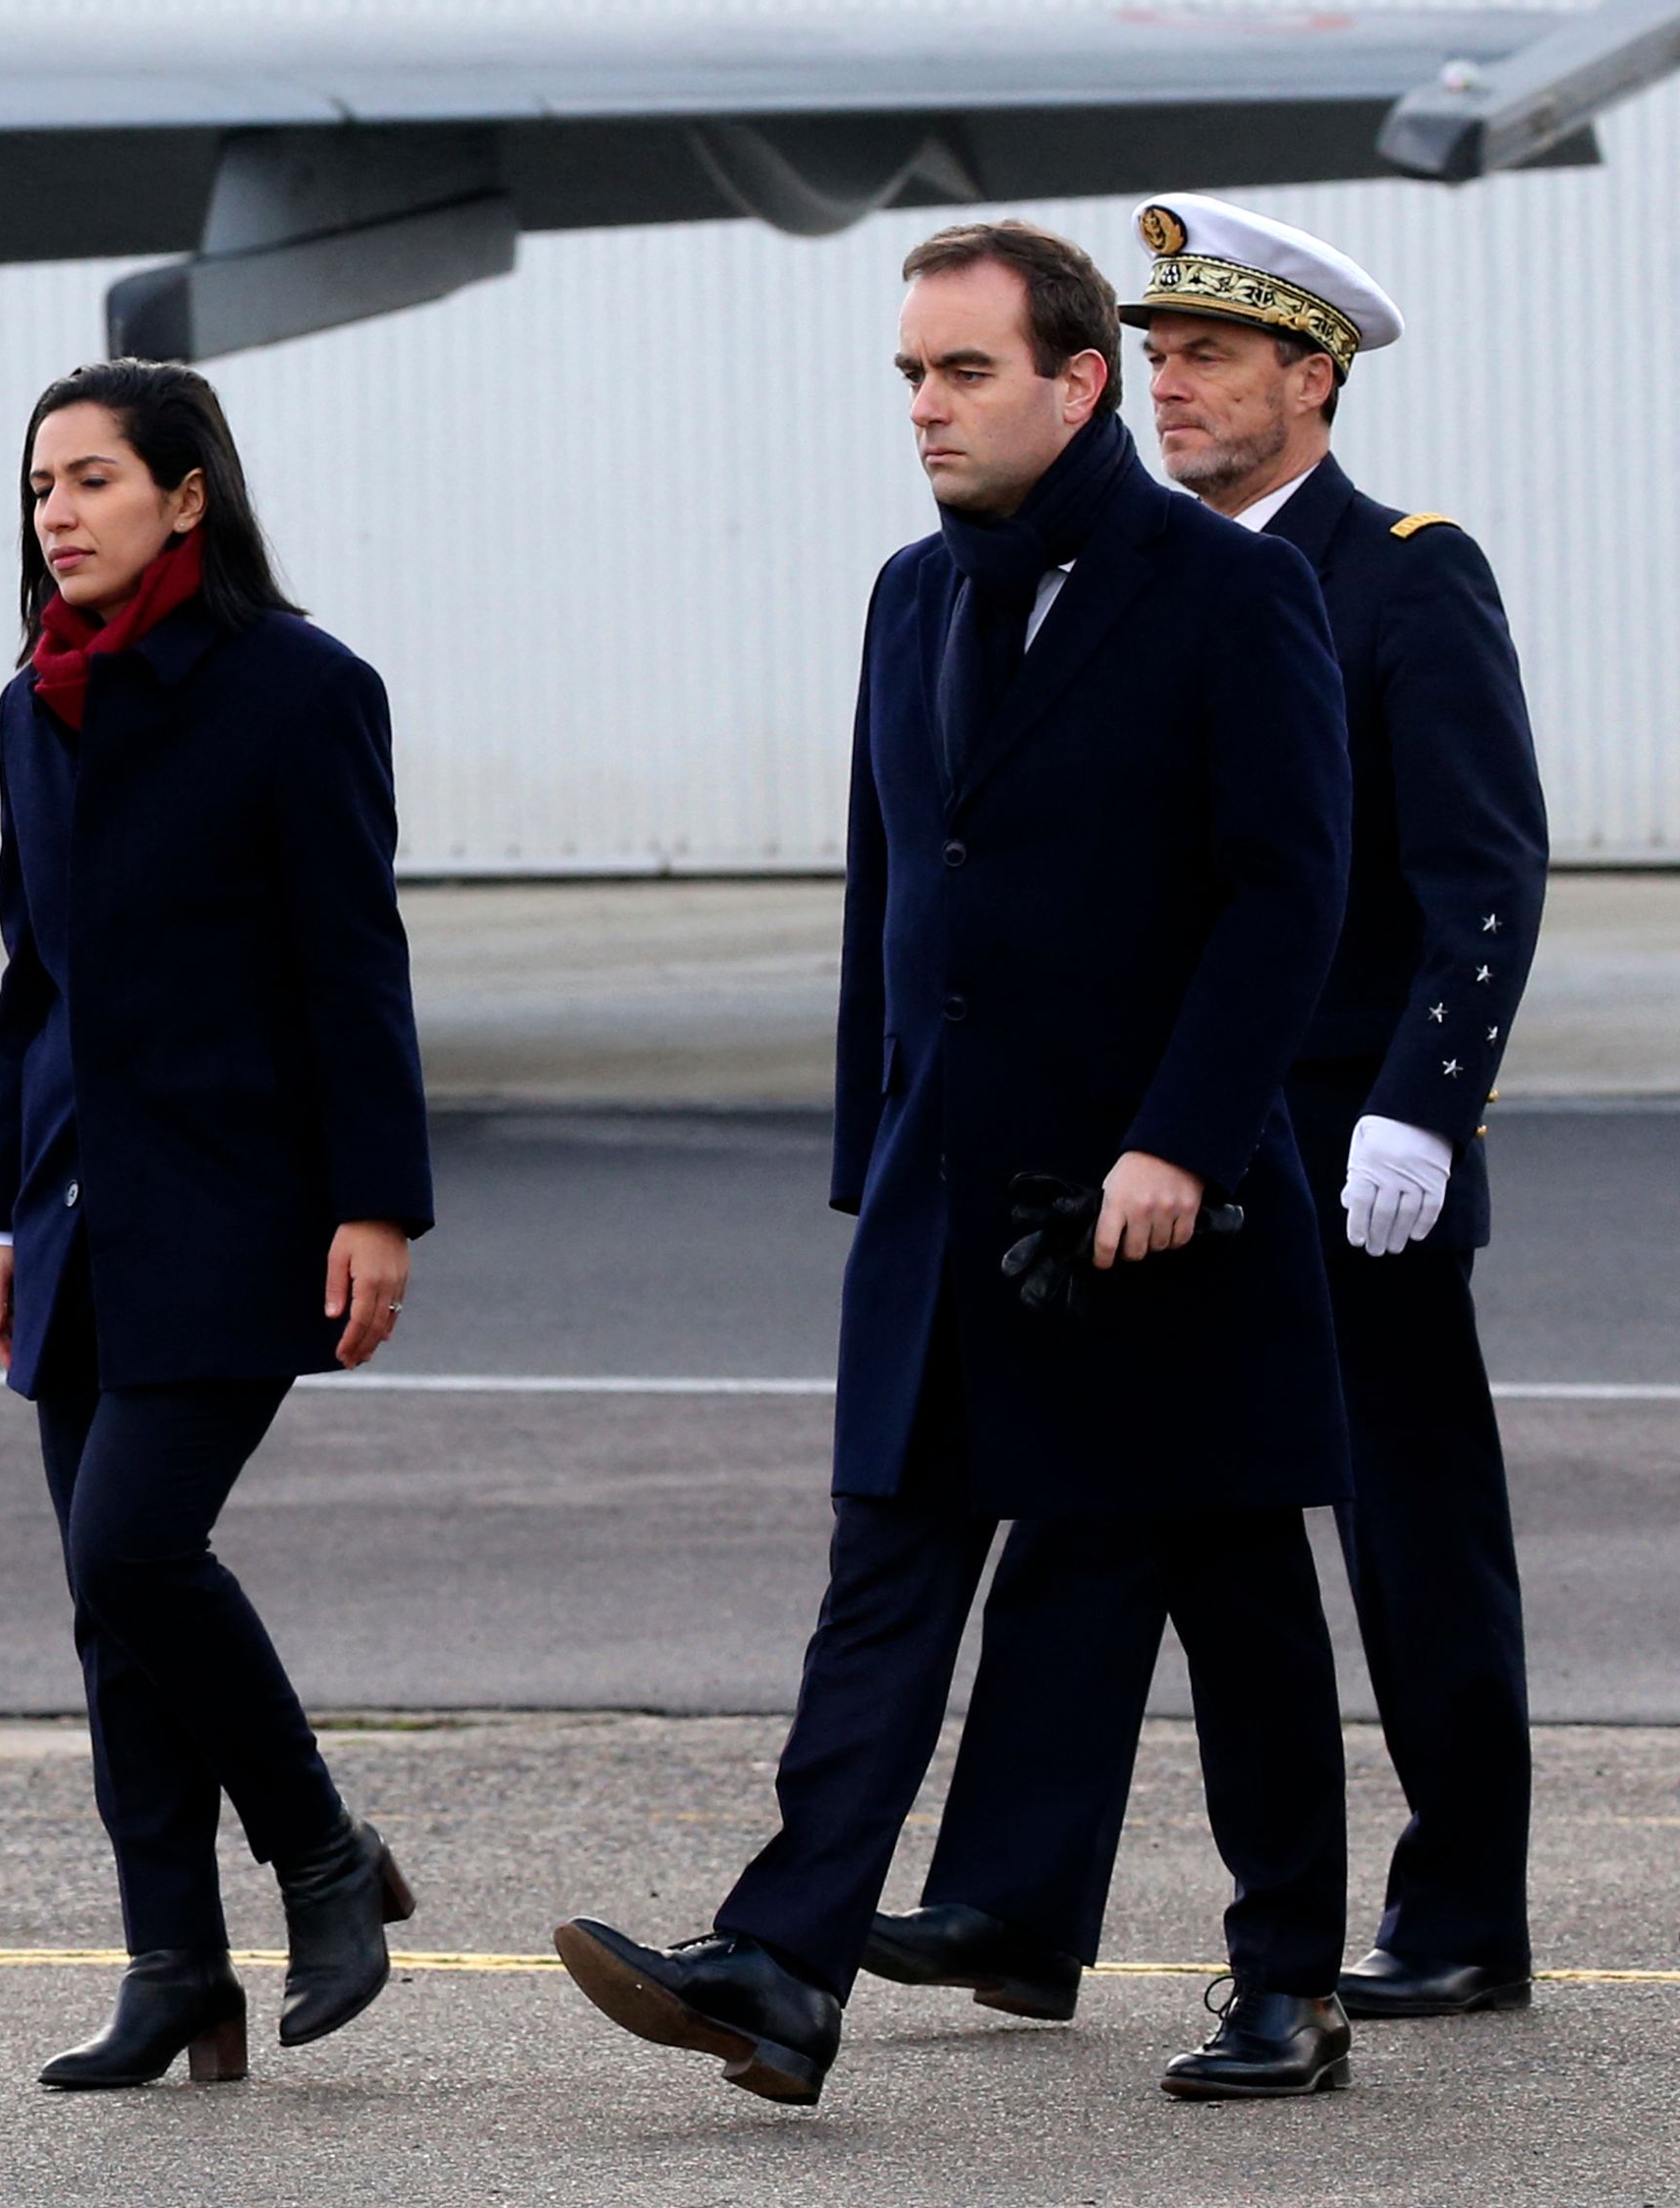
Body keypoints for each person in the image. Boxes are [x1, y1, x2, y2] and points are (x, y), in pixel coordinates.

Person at [556, 220, 1358, 2106]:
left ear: (1077, 383)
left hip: (1163, 1208)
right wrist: (876, 1150)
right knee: (888, 1574)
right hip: (951, 1196)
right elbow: (892, 898)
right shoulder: (912, 597)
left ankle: (1290, 1981)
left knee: (1231, 1584)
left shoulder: (1226, 595)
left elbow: (1286, 894)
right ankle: (782, 1963)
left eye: (964, 370)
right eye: (910, 375)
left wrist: (1181, 1136)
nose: (926, 406)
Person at [880, 198, 1548, 2024]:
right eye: (1159, 356)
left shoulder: (1404, 576)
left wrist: (1422, 1111)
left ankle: (1465, 1902)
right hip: (1162, 1141)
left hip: (1353, 1151)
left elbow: (1482, 876)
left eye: (1216, 359)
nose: (1174, 387)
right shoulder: (1112, 575)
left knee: (1410, 1540)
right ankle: (1017, 1901)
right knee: (1099, 1522)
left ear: (1311, 381)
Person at [0, 359, 430, 2091]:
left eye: (92, 481)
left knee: (133, 1550)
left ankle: (325, 1855)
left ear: (187, 496)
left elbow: (354, 963)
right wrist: (0, 1210)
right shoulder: (36, 703)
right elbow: (35, 986)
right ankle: (174, 1965)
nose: (59, 514)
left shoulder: (301, 690)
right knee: (111, 1615)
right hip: (77, 1209)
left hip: (247, 1208)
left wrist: (379, 1203)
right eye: (40, 487)